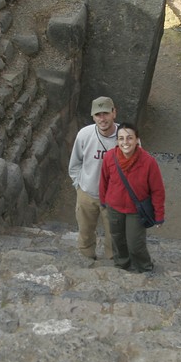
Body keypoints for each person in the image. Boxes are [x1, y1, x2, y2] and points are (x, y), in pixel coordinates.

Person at [99, 122, 165, 272]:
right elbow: (104, 180)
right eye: (121, 138)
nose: (125, 142)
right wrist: (103, 202)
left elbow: (157, 190)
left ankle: (144, 267)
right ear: (117, 141)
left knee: (135, 244)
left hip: (136, 211)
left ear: (137, 140)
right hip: (114, 207)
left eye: (129, 138)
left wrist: (159, 215)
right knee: (118, 240)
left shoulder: (148, 162)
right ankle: (122, 266)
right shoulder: (110, 157)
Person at [68, 96, 119, 259]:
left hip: (114, 199)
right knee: (85, 232)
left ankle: (112, 261)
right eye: (98, 114)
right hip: (87, 194)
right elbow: (75, 162)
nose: (102, 118)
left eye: (106, 113)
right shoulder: (84, 134)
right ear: (93, 116)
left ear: (114, 113)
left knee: (115, 235)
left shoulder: (127, 137)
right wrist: (78, 186)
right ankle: (86, 257)